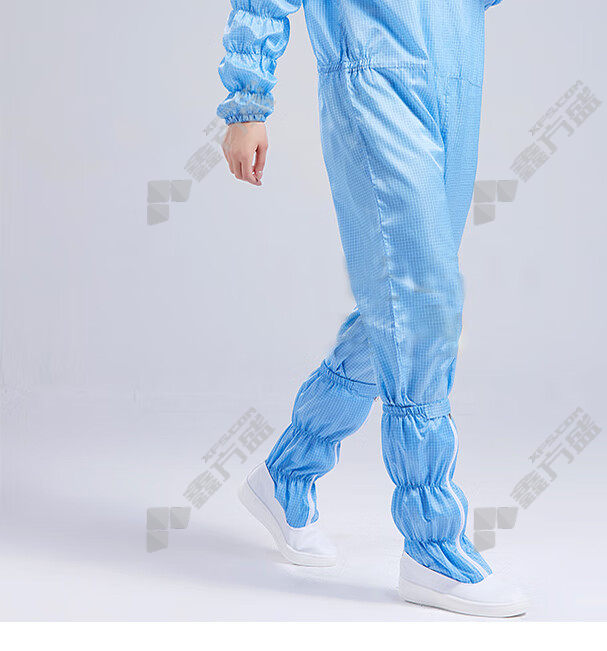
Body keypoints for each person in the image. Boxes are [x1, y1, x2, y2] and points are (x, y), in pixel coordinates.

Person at [218, 0, 528, 617]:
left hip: (457, 68)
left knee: (399, 303)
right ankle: (432, 544)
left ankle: (290, 470)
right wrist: (248, 102)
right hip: (372, 74)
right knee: (420, 302)